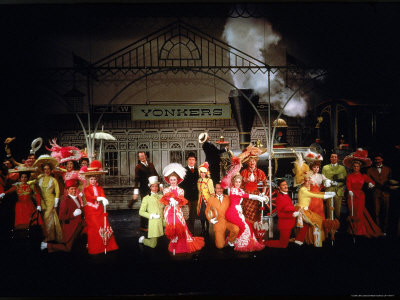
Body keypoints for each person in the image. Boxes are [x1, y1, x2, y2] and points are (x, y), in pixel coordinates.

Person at [161, 163, 204, 254]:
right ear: (169, 180)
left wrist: (176, 202)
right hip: (169, 211)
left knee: (181, 226)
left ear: (177, 180)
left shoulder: (181, 190)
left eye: (174, 180)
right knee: (172, 227)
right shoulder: (166, 190)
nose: (173, 181)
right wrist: (170, 200)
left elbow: (181, 200)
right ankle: (173, 243)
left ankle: (180, 243)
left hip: (177, 210)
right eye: (171, 180)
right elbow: (165, 199)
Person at [81, 160, 118, 254]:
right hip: (90, 210)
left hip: (99, 209)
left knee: (104, 226)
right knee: (95, 227)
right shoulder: (86, 189)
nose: (93, 181)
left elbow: (103, 196)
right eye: (91, 179)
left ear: (97, 179)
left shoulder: (100, 188)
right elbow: (89, 197)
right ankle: (94, 246)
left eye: (94, 179)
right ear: (88, 179)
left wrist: (103, 199)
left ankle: (106, 245)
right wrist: (99, 198)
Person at [344, 149, 383, 238]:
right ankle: (352, 230)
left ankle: (359, 230)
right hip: (351, 196)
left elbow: (372, 182)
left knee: (359, 212)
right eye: (354, 166)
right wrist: (349, 190)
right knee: (352, 213)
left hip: (360, 196)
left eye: (357, 166)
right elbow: (348, 184)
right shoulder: (349, 176)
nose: (356, 168)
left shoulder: (363, 176)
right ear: (352, 167)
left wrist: (370, 184)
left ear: (360, 167)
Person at [42, 179, 87, 253]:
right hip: (70, 228)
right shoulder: (65, 200)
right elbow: (61, 217)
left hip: (79, 225)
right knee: (68, 248)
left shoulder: (77, 199)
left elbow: (80, 209)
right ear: (67, 190)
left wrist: (83, 201)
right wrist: (73, 214)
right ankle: (46, 245)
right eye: (71, 189)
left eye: (75, 189)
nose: (74, 191)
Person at [225, 174, 266, 252]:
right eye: (236, 182)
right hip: (232, 212)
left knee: (248, 225)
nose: (237, 183)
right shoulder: (233, 190)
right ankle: (240, 243)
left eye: (239, 182)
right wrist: (258, 198)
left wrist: (260, 195)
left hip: (237, 211)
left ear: (241, 183)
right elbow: (248, 196)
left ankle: (235, 241)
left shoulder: (240, 190)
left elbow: (248, 193)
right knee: (244, 227)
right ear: (233, 182)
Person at [294, 171, 336, 247]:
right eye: (307, 181)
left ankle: (300, 240)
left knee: (311, 223)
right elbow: (314, 195)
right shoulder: (303, 190)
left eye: (309, 181)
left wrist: (327, 194)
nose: (309, 183)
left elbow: (317, 193)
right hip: (302, 211)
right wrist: (327, 196)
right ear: (304, 182)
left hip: (305, 210)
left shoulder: (305, 188)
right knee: (317, 221)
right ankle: (317, 242)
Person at [32, 155, 63, 243]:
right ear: (43, 169)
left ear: (51, 169)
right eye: (45, 169)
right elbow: (31, 183)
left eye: (48, 169)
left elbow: (57, 191)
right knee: (42, 219)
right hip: (41, 201)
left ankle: (49, 237)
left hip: (51, 201)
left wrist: (56, 200)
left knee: (48, 218)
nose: (47, 171)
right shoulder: (39, 179)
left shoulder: (53, 180)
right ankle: (43, 236)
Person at [130, 151, 161, 232]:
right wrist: (135, 192)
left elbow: (156, 174)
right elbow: (136, 180)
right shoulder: (138, 167)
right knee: (146, 207)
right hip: (143, 190)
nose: (142, 158)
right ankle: (143, 225)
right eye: (140, 156)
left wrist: (160, 185)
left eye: (143, 156)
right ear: (139, 158)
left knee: (153, 205)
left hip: (153, 188)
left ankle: (152, 223)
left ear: (146, 156)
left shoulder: (151, 164)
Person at [265, 179, 298, 248]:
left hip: (290, 224)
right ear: (279, 188)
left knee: (286, 241)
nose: (286, 186)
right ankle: (264, 243)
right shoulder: (280, 198)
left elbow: (289, 208)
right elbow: (280, 214)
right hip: (285, 225)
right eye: (283, 185)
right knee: (283, 245)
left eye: (286, 184)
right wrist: (292, 214)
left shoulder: (287, 196)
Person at [205, 183, 239, 249]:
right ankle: (222, 240)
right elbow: (207, 211)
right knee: (220, 246)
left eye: (221, 188)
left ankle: (230, 241)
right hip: (218, 222)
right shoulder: (211, 199)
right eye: (217, 188)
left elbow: (233, 206)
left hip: (228, 220)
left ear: (223, 189)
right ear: (215, 189)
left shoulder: (228, 198)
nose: (219, 190)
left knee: (236, 229)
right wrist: (210, 219)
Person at [366, 153, 392, 234]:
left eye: (379, 159)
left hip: (386, 194)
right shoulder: (369, 170)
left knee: (386, 213)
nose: (377, 161)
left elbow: (390, 181)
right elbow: (368, 181)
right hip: (375, 194)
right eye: (376, 160)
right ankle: (377, 230)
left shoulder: (388, 169)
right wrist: (369, 185)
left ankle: (385, 230)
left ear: (382, 160)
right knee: (376, 212)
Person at [240, 156, 267, 227]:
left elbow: (265, 184)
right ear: (247, 163)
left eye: (253, 161)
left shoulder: (260, 172)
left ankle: (254, 231)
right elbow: (240, 185)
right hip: (246, 194)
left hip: (255, 193)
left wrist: (263, 193)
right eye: (250, 161)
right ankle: (247, 230)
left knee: (255, 212)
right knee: (246, 212)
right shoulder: (243, 172)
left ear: (256, 162)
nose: (252, 163)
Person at [138, 176, 164, 248]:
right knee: (153, 245)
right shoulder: (146, 198)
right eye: (153, 186)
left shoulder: (161, 196)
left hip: (163, 220)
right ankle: (142, 240)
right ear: (150, 187)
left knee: (174, 227)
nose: (155, 188)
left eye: (156, 186)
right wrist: (151, 215)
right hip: (155, 222)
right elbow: (141, 212)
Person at [322, 152, 347, 221]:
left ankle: (337, 226)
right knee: (329, 209)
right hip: (329, 190)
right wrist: (327, 182)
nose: (334, 158)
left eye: (335, 157)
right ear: (330, 158)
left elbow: (345, 180)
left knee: (338, 211)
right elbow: (323, 179)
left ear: (337, 159)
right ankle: (330, 227)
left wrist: (337, 184)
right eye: (332, 157)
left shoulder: (342, 168)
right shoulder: (325, 167)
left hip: (338, 191)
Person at [178, 152, 199, 234]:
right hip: (186, 197)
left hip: (196, 197)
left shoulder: (198, 171)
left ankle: (191, 231)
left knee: (193, 215)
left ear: (195, 161)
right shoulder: (183, 171)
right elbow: (180, 185)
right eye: (190, 159)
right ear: (187, 161)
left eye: (193, 159)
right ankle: (188, 233)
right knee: (187, 215)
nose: (191, 161)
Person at [197, 162, 215, 236]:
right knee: (201, 215)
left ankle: (207, 229)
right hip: (200, 200)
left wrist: (212, 201)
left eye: (204, 172)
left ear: (206, 173)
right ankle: (202, 229)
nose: (202, 174)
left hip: (207, 200)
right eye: (201, 172)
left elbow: (212, 192)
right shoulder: (198, 180)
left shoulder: (209, 181)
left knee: (207, 214)